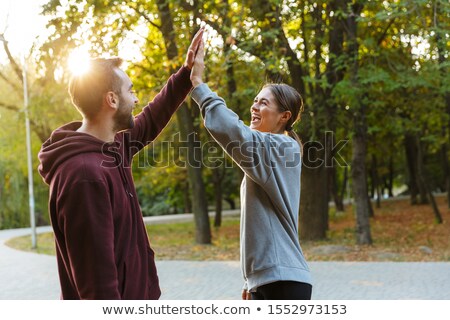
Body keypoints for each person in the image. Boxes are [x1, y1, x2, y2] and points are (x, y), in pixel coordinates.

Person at [37, 28, 204, 300]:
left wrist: (186, 74)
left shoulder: (113, 146)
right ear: (111, 99)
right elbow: (98, 287)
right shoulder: (84, 175)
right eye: (131, 90)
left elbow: (150, 120)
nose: (136, 99)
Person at [189, 38, 313, 300]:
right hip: (270, 280)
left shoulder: (282, 148)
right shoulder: (271, 151)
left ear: (284, 116)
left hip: (283, 282)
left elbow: (235, 133)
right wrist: (251, 280)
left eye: (264, 103)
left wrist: (199, 86)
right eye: (255, 101)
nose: (254, 107)